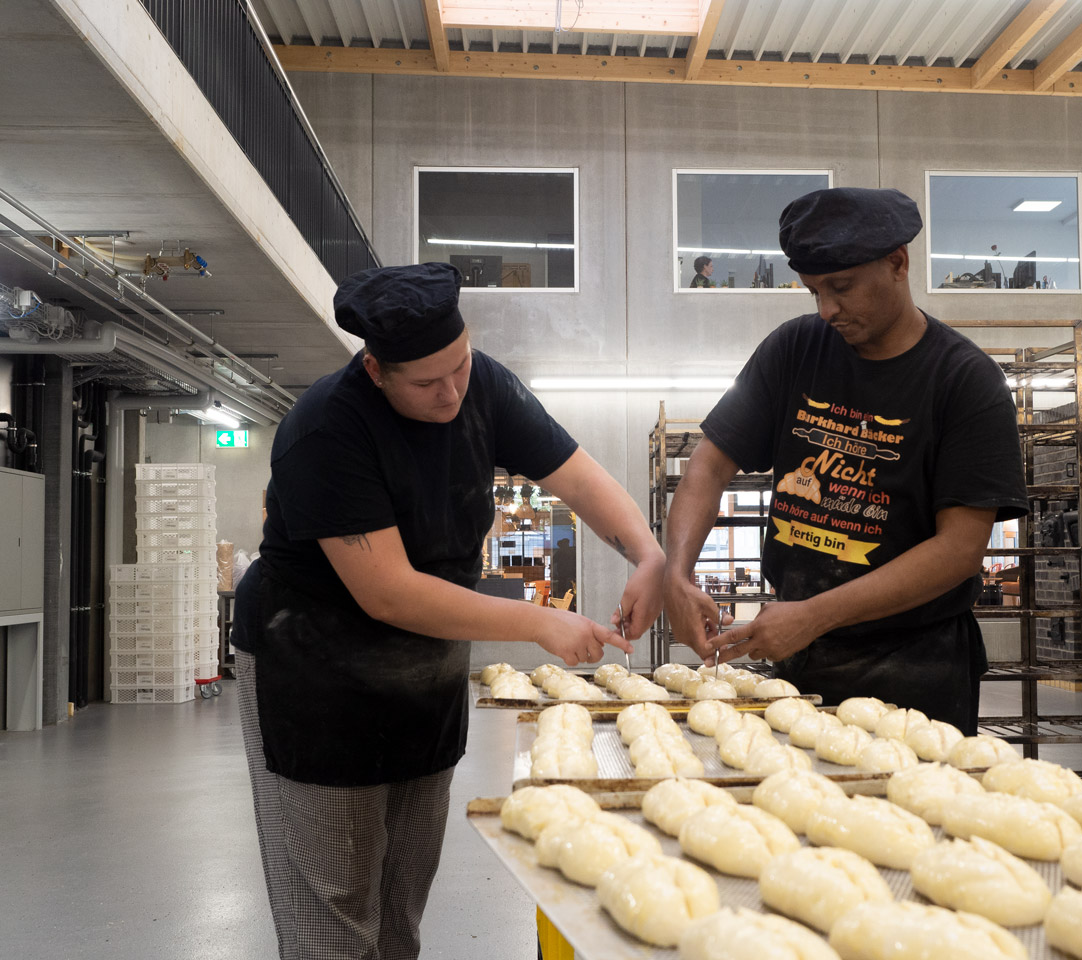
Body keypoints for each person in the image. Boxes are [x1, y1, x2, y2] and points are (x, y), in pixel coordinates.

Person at [233, 262, 664, 960]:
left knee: (404, 880)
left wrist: (648, 555)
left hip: (424, 658)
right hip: (315, 664)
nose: (452, 392)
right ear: (376, 370)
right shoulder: (325, 432)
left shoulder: (482, 383)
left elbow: (577, 475)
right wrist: (540, 619)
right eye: (428, 383)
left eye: (459, 367)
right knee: (337, 891)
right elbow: (388, 592)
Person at [662, 187, 1027, 734]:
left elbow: (959, 549)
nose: (827, 309)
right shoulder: (794, 350)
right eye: (813, 292)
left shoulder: (964, 382)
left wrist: (815, 614)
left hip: (915, 671)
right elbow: (708, 467)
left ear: (897, 263)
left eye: (841, 287)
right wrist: (677, 573)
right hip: (797, 661)